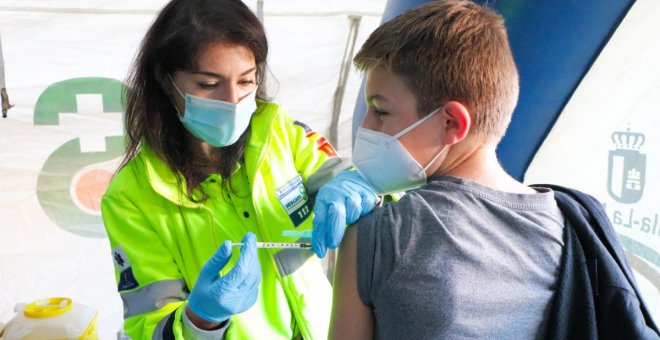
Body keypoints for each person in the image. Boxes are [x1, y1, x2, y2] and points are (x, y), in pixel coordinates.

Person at [101, 0, 376, 338]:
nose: (232, 100)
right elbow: (148, 328)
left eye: (246, 81)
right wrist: (201, 320)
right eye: (208, 84)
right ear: (164, 78)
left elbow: (356, 184)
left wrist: (354, 187)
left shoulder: (280, 133)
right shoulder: (131, 197)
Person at [330, 1, 563, 338]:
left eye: (380, 111)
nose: (366, 127)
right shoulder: (566, 224)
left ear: (452, 122)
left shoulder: (378, 236)